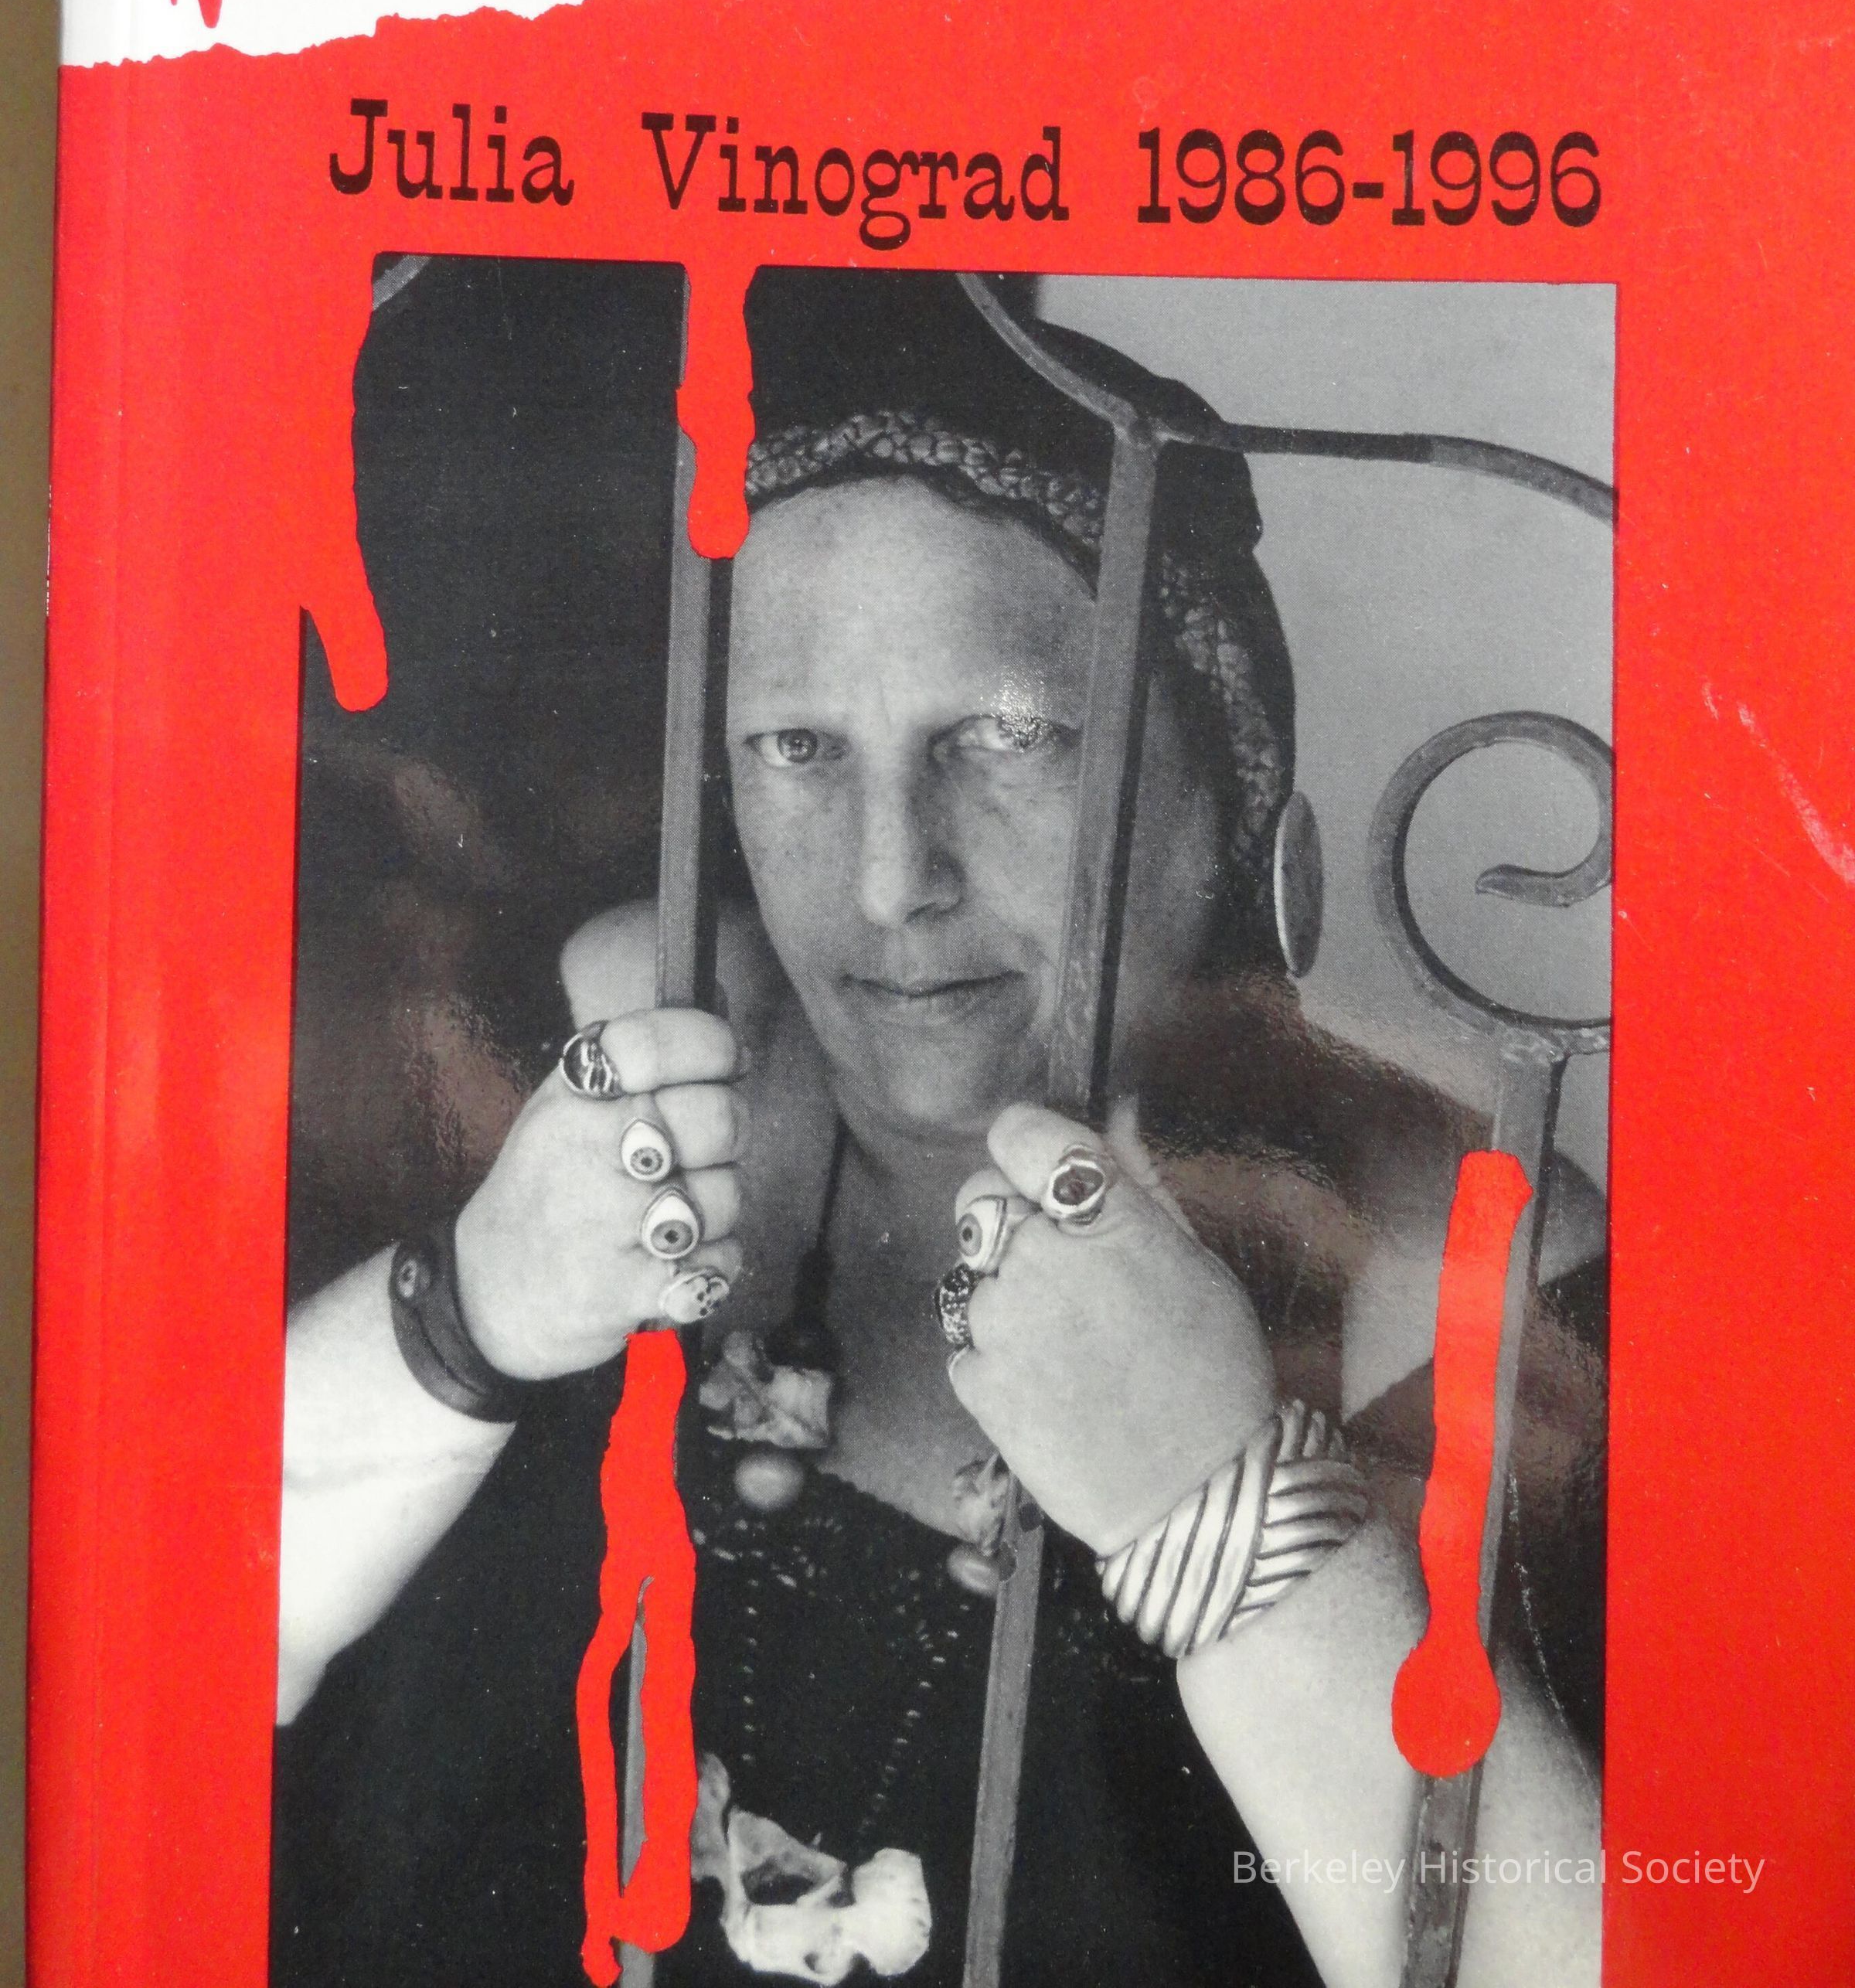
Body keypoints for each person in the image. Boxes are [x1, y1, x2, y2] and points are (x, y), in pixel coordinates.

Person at [273, 270, 1604, 1988]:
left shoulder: (1468, 1278)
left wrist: (1229, 1522)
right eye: (799, 746)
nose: (894, 878)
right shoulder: (607, 1045)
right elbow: (144, 1677)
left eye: (1008, 737)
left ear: (1230, 788)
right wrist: (460, 1319)